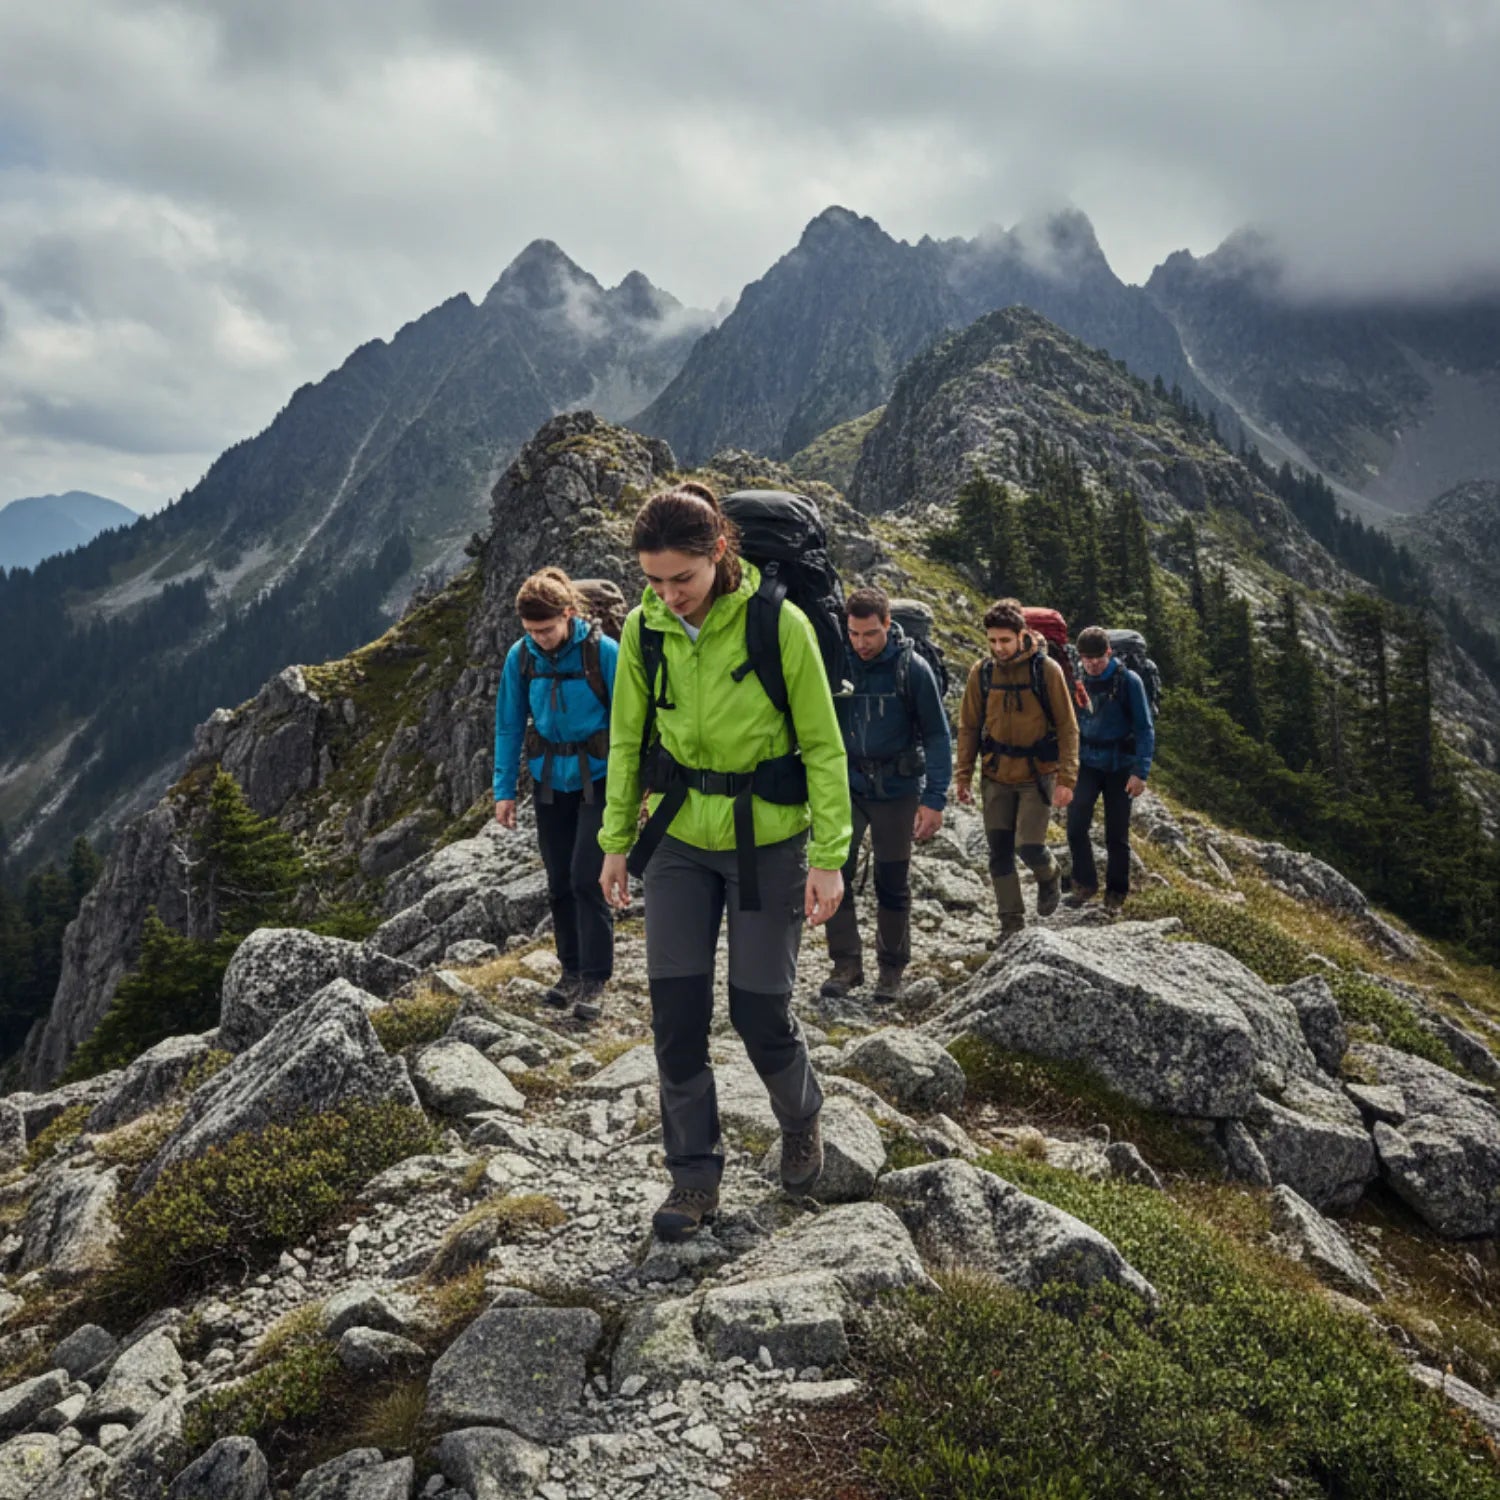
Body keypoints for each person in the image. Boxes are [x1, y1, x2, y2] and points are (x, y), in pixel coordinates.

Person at [598, 482, 851, 1243]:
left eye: (684, 578)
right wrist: (615, 841)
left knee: (757, 1011)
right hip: (677, 839)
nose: (670, 596)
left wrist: (830, 857)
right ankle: (694, 1181)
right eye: (655, 581)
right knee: (675, 1019)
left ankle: (800, 1115)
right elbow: (625, 739)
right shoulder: (645, 631)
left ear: (720, 555)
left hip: (766, 840)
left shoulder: (781, 624)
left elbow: (823, 744)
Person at [494, 567, 617, 1021]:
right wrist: (504, 790)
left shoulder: (603, 653)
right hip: (549, 782)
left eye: (546, 629)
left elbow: (631, 722)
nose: (539, 639)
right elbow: (508, 723)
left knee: (588, 877)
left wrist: (637, 787)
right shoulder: (521, 658)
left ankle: (596, 977)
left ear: (569, 614)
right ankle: (569, 971)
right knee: (559, 881)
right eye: (530, 631)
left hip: (600, 779)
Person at [821, 586, 952, 1004]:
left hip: (897, 790)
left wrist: (934, 799)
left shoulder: (912, 670)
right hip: (846, 787)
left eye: (870, 634)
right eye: (855, 633)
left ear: (887, 625)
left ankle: (891, 971)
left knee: (892, 881)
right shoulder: (837, 663)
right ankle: (846, 965)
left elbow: (936, 736)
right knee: (833, 872)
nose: (861, 643)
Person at [954, 597, 1078, 939]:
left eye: (1005, 640)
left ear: (1022, 635)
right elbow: (968, 726)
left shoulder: (1046, 671)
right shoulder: (982, 673)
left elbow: (1068, 727)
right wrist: (962, 774)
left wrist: (1067, 778)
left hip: (1037, 774)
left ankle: (1049, 874)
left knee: (1029, 846)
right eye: (992, 640)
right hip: (995, 774)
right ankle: (1011, 925)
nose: (998, 647)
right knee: (999, 854)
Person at [1066, 625, 1155, 915]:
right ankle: (1084, 884)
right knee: (1076, 826)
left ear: (1109, 653)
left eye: (1097, 658)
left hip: (1120, 765)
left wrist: (1140, 772)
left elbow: (1144, 728)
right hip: (1087, 762)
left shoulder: (1129, 681)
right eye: (1086, 658)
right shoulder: (1077, 678)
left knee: (1116, 835)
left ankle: (1115, 895)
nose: (1091, 664)